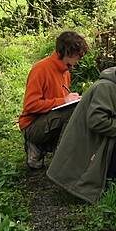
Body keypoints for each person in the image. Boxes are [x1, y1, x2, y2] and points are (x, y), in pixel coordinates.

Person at [46, 64, 116, 204]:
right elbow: (97, 122)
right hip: (86, 142)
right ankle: (103, 181)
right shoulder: (108, 88)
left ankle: (105, 177)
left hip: (99, 137)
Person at [19, 31, 88, 170]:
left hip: (50, 122)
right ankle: (60, 162)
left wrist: (72, 99)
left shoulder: (66, 71)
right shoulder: (41, 69)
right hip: (32, 125)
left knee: (80, 110)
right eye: (78, 56)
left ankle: (51, 151)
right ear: (68, 52)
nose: (79, 60)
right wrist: (63, 101)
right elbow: (30, 105)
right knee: (71, 111)